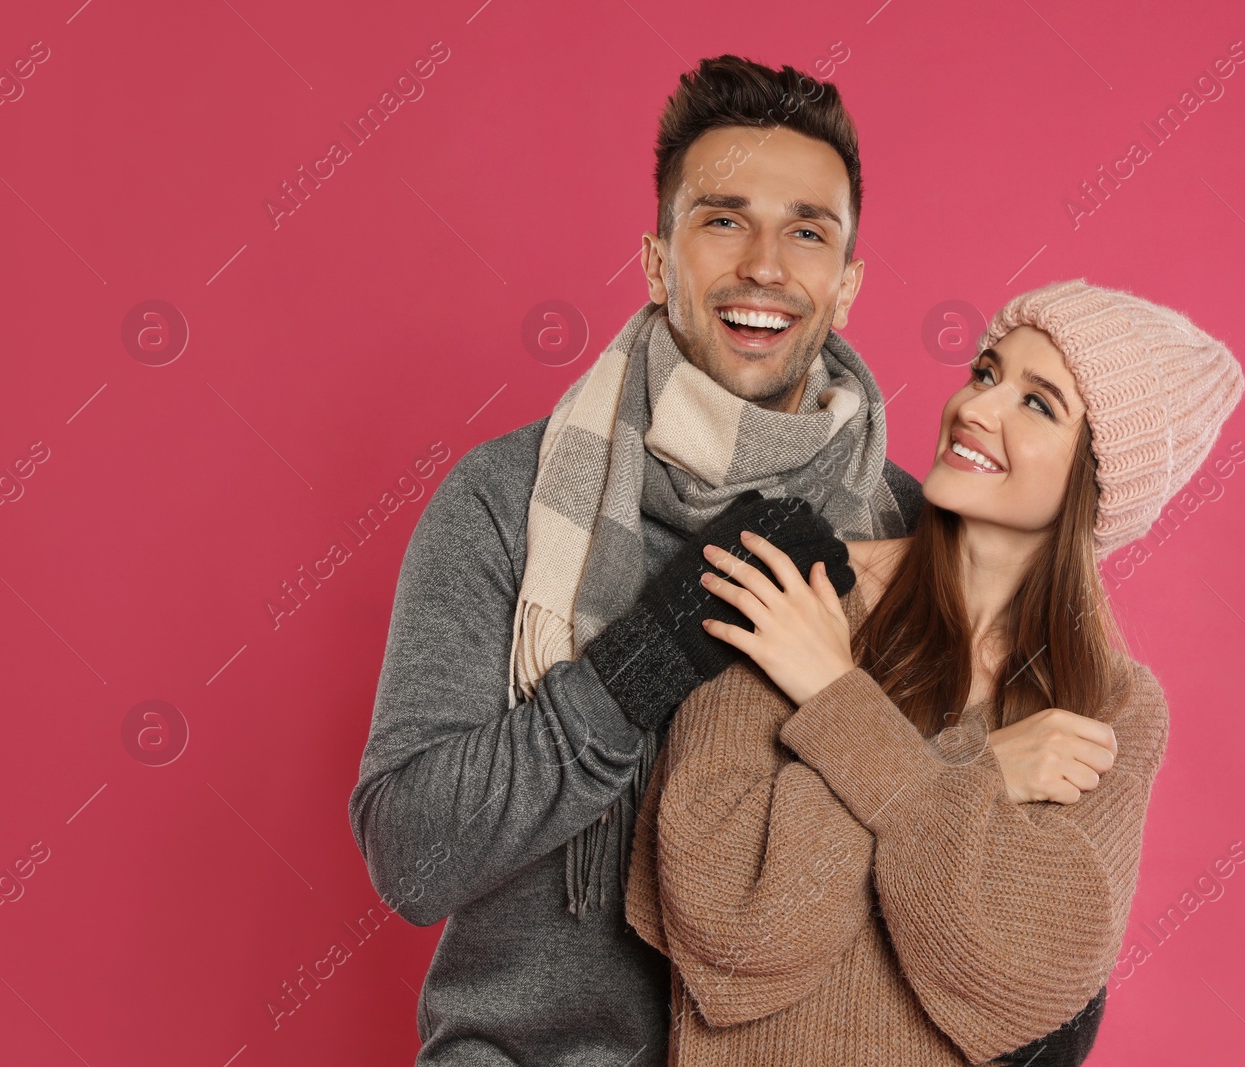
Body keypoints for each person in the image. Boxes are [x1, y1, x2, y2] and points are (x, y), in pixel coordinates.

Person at [346, 55, 927, 1066]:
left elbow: (960, 840)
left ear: (845, 284)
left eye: (806, 231)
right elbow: (412, 854)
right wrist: (642, 658)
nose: (764, 264)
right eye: (721, 219)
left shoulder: (907, 532)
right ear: (659, 262)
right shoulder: (507, 498)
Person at [623, 278, 1245, 1065]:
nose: (976, 409)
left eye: (1038, 402)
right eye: (986, 373)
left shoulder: (1115, 706)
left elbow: (1023, 980)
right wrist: (979, 772)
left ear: (1099, 480)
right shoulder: (797, 582)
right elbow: (732, 919)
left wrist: (835, 698)